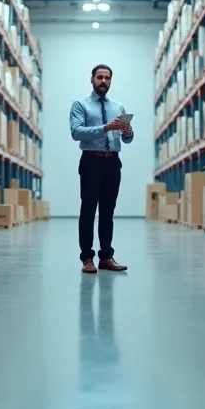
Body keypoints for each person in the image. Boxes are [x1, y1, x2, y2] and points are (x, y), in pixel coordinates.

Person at [69, 64, 133, 274]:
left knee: (108, 211)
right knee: (88, 210)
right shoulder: (80, 105)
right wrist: (105, 128)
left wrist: (127, 132)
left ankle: (106, 256)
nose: (103, 81)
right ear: (92, 80)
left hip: (113, 162)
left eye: (107, 78)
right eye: (99, 77)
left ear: (111, 81)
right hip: (91, 161)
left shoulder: (118, 107)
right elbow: (77, 132)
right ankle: (87, 258)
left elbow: (128, 139)